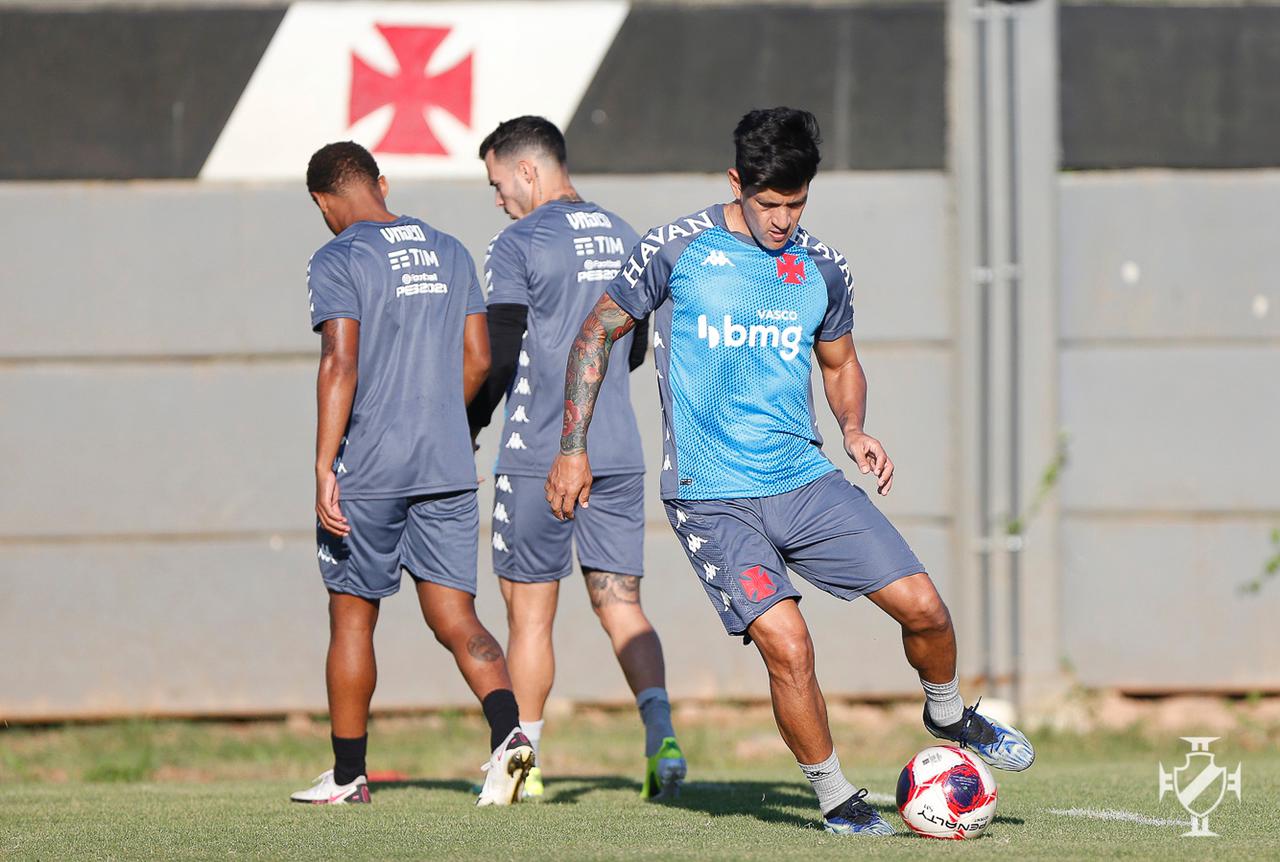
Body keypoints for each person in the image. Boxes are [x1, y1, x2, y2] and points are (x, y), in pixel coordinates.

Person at [546, 108, 1034, 835]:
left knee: (926, 607)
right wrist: (572, 446)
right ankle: (837, 796)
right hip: (712, 499)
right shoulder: (676, 248)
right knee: (790, 645)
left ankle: (948, 712)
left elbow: (839, 361)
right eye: (768, 202)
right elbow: (596, 331)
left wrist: (855, 429)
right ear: (736, 183)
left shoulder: (823, 268)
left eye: (795, 203)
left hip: (804, 480)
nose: (781, 218)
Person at [291, 141, 533, 807]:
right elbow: (480, 358)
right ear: (382, 183)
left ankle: (348, 776)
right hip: (447, 463)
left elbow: (340, 362)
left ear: (324, 201)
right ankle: (510, 736)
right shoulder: (451, 249)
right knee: (458, 616)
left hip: (369, 466)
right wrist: (437, 424)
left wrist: (322, 465)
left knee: (351, 618)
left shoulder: (338, 256)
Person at [468, 116, 686, 800]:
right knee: (622, 605)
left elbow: (500, 356)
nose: (498, 198)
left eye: (498, 183)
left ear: (527, 171)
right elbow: (638, 345)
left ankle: (522, 765)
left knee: (530, 616)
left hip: (542, 455)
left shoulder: (516, 241)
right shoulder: (627, 234)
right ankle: (663, 738)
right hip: (618, 451)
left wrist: (469, 422)